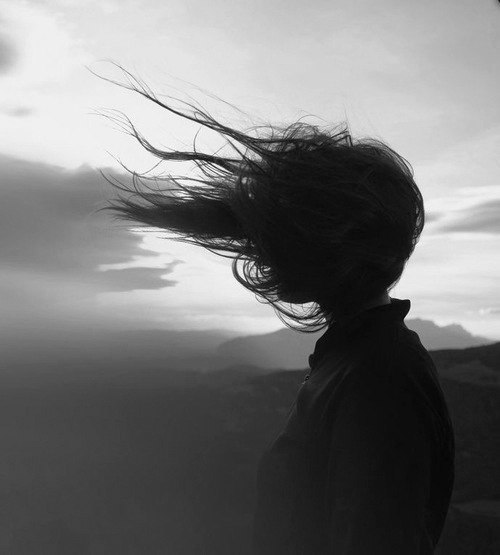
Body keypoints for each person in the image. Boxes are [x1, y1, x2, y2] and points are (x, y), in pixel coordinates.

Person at [95, 64, 455, 554]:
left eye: (277, 237)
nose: (263, 253)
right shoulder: (362, 362)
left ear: (326, 248)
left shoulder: (379, 377)